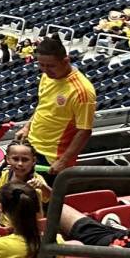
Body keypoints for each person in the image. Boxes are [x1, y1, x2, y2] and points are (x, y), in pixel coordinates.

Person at [24, 33, 97, 174]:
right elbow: (44, 106)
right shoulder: (47, 76)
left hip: (52, 158)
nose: (45, 70)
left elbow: (84, 131)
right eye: (41, 65)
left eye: (51, 65)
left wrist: (63, 161)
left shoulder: (82, 91)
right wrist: (27, 127)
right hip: (31, 145)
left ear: (65, 61)